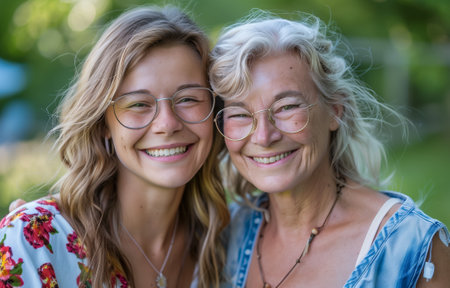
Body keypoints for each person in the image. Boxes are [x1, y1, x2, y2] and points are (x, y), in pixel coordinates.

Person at [209, 11, 450, 287]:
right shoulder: (224, 236)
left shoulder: (412, 249)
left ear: (336, 111)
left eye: (287, 107)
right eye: (239, 114)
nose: (264, 136)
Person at [0, 5, 229, 288]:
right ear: (103, 125)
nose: (167, 124)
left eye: (188, 99)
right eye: (138, 104)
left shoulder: (224, 246)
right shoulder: (35, 244)